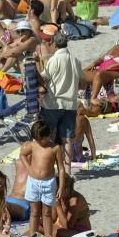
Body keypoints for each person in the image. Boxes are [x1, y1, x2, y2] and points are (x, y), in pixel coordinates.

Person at [39, 32, 81, 172]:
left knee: (49, 135)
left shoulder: (54, 60)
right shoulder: (76, 60)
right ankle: (67, 170)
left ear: (54, 44)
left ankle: (49, 165)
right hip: (71, 103)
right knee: (67, 137)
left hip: (53, 103)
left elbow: (44, 77)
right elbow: (80, 81)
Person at [21, 119, 65, 237]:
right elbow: (22, 154)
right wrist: (29, 168)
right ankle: (32, 236)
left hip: (49, 183)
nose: (40, 141)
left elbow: (61, 168)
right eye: (37, 139)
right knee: (34, 212)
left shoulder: (55, 148)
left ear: (48, 135)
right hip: (33, 182)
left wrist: (60, 187)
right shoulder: (33, 145)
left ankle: (49, 236)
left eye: (42, 139)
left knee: (47, 212)